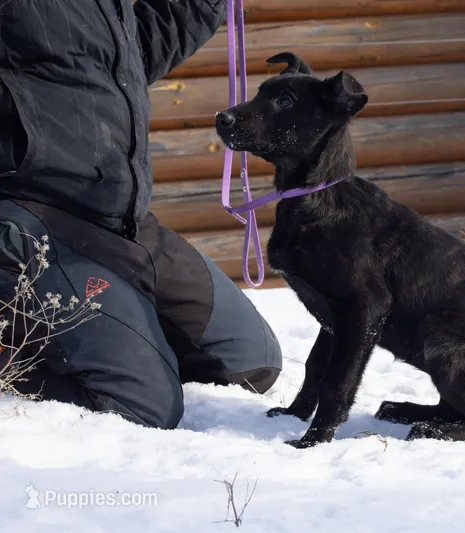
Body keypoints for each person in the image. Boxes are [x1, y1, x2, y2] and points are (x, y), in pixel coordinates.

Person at [0, 1, 282, 429]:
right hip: (32, 218)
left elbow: (136, 51)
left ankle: (118, 345)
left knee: (248, 362)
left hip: (122, 220)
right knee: (140, 406)